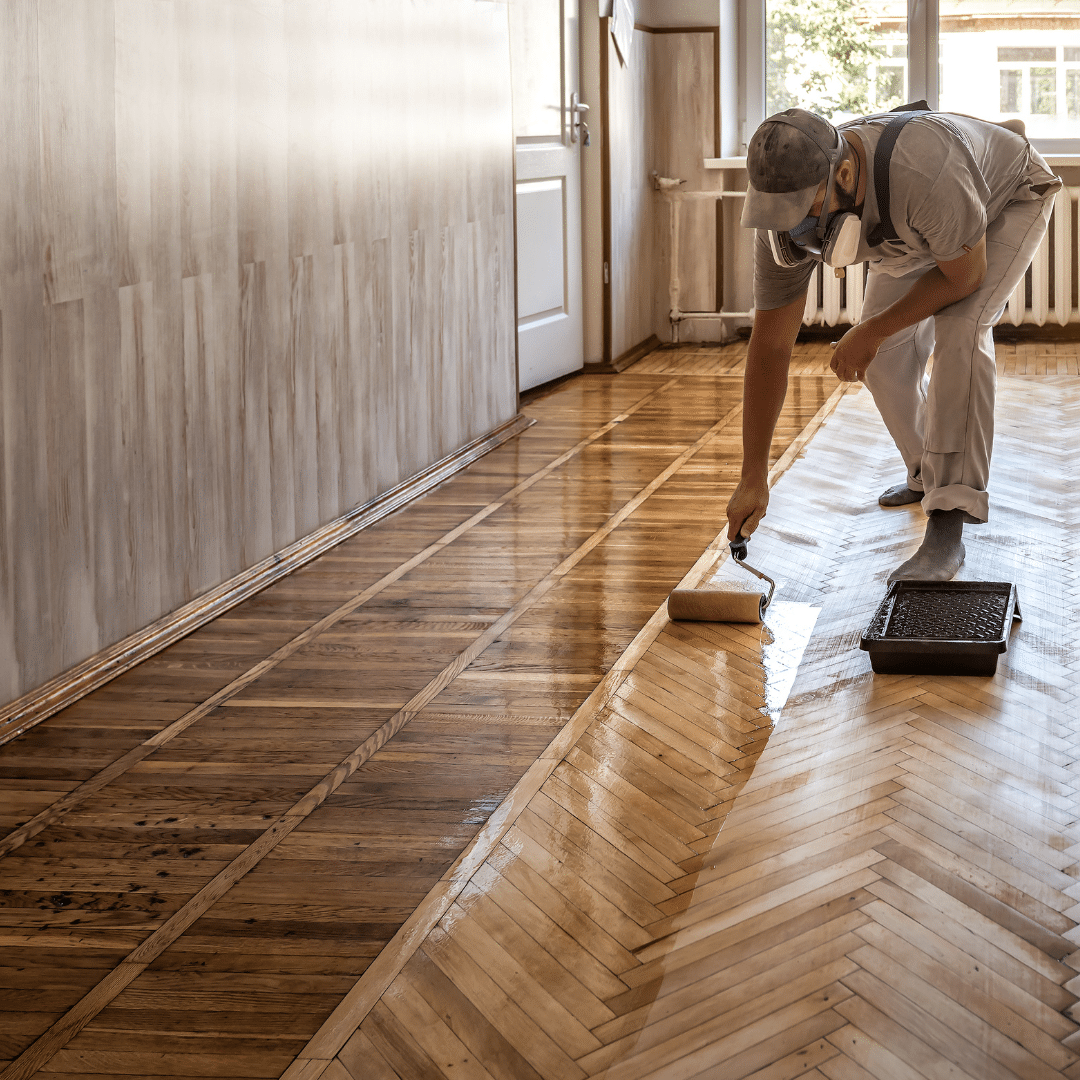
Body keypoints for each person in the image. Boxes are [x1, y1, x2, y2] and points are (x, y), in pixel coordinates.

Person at [725, 105, 1060, 580]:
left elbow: (964, 278)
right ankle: (926, 473)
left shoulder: (923, 169)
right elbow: (771, 348)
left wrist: (871, 329)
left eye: (807, 209)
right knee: (882, 360)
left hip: (1004, 198)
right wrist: (752, 475)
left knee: (961, 330)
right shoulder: (779, 221)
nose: (796, 228)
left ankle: (949, 520)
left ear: (844, 173)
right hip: (917, 225)